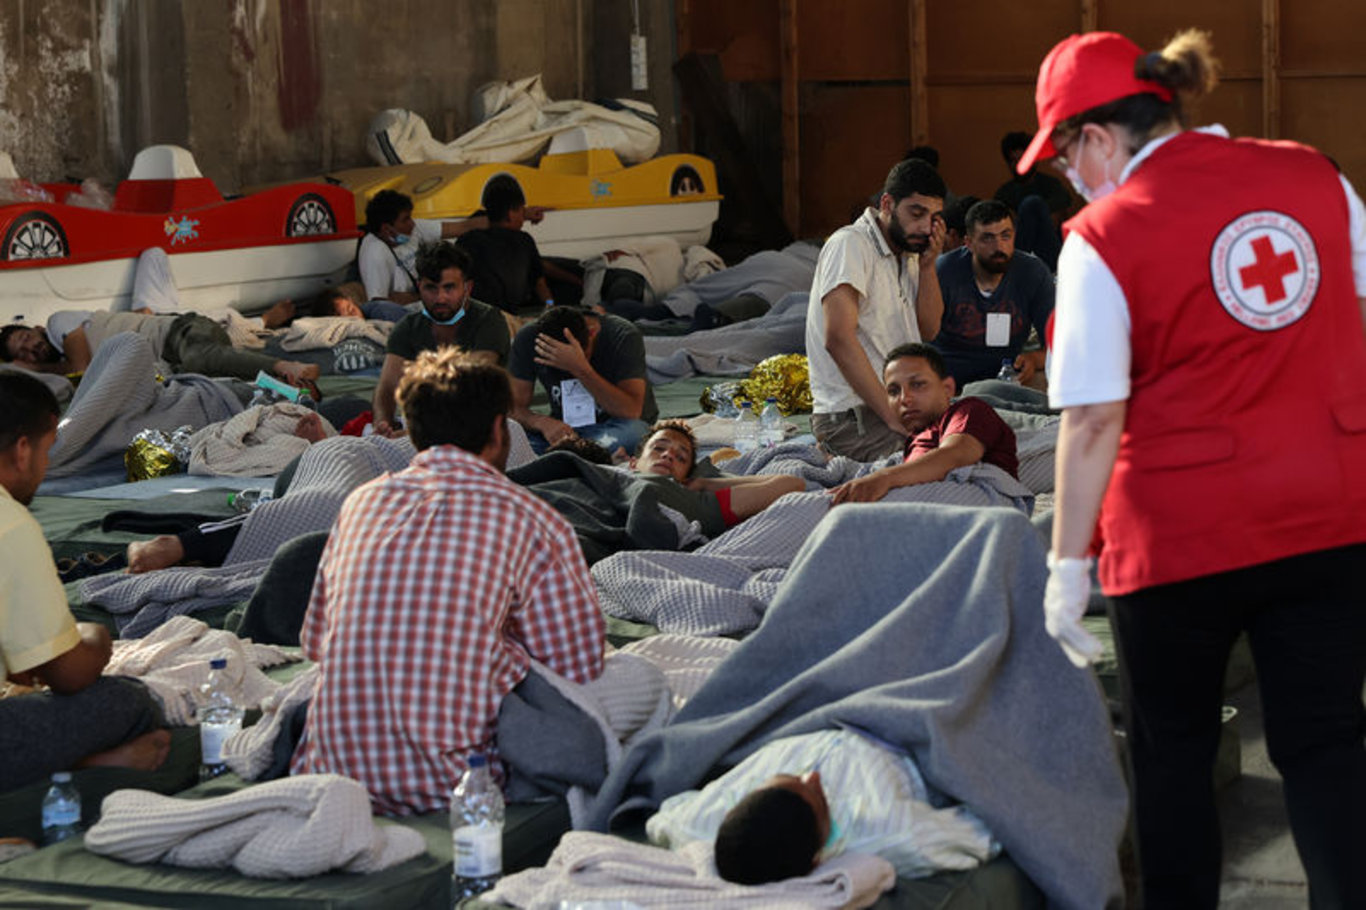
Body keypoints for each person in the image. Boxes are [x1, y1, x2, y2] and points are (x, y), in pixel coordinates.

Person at [1026, 29, 1366, 908]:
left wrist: (1066, 567)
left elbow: (1096, 418)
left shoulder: (1104, 233)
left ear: (1098, 136)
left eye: (1065, 155)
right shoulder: (1314, 177)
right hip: (1326, 518)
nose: (1071, 175)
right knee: (1329, 750)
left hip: (1180, 540)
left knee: (1172, 759)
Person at [290, 349, 604, 816]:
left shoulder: (362, 502)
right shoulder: (529, 516)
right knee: (630, 689)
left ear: (414, 433)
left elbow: (315, 644)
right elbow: (576, 668)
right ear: (501, 431)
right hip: (452, 788)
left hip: (330, 771)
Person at [0, 373, 170, 791]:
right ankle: (86, 768)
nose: (44, 468)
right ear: (23, 450)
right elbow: (70, 676)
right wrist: (93, 637)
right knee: (129, 701)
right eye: (46, 452)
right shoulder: (10, 524)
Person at [647, 727, 997, 884]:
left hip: (819, 706)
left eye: (790, 777)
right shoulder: (890, 832)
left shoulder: (702, 822)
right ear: (817, 859)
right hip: (902, 728)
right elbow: (986, 830)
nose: (811, 778)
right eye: (819, 799)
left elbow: (665, 820)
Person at [805, 158, 947, 462]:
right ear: (887, 203)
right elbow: (838, 338)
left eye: (934, 218)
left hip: (899, 405)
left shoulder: (909, 252)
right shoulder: (850, 244)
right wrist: (892, 416)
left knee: (984, 432)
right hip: (852, 416)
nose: (924, 227)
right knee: (938, 465)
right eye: (916, 213)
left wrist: (927, 266)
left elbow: (929, 329)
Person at [828, 343, 1017, 505]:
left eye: (917, 384)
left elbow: (955, 456)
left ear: (947, 388)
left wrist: (884, 478)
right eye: (894, 391)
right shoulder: (916, 438)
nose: (905, 398)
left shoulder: (969, 410)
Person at [371, 242, 510, 436]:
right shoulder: (407, 328)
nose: (440, 298)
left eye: (449, 288)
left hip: (482, 426)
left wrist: (421, 433)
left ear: (467, 288)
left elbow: (471, 388)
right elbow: (386, 388)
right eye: (431, 288)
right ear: (419, 287)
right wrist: (382, 423)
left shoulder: (489, 321)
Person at [0, 311, 319, 389]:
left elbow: (80, 369)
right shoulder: (60, 363)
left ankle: (283, 366)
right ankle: (286, 386)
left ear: (37, 328)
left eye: (26, 337)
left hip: (182, 334)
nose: (33, 348)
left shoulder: (59, 325)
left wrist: (33, 370)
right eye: (24, 352)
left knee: (201, 359)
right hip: (173, 362)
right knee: (214, 387)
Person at [932, 200, 1054, 389]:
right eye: (987, 238)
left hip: (1007, 377)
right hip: (949, 379)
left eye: (1005, 236)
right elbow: (921, 335)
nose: (999, 247)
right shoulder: (944, 271)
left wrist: (1033, 360)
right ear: (969, 243)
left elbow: (1057, 346)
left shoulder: (1033, 272)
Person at [508, 305, 657, 454]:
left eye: (582, 355)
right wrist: (541, 422)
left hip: (616, 426)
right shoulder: (530, 338)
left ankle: (569, 456)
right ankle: (575, 456)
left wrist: (580, 368)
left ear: (592, 333)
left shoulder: (622, 335)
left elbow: (631, 411)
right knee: (508, 441)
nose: (566, 370)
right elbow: (513, 408)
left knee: (635, 436)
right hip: (564, 429)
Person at [632, 420, 805, 525]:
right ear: (633, 463)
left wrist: (706, 484)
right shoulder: (612, 473)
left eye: (681, 458)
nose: (668, 455)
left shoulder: (688, 502)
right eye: (659, 448)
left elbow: (792, 483)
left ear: (685, 479)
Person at [355, 189, 490, 304]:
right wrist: (425, 296)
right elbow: (380, 303)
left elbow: (462, 227)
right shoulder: (375, 253)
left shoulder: (414, 230)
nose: (412, 224)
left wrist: (498, 221)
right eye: (405, 219)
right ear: (386, 229)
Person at [456, 174, 557, 315]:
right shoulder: (524, 240)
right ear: (510, 214)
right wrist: (551, 306)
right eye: (522, 212)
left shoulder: (468, 240)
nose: (523, 219)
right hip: (510, 316)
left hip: (474, 314)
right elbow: (540, 284)